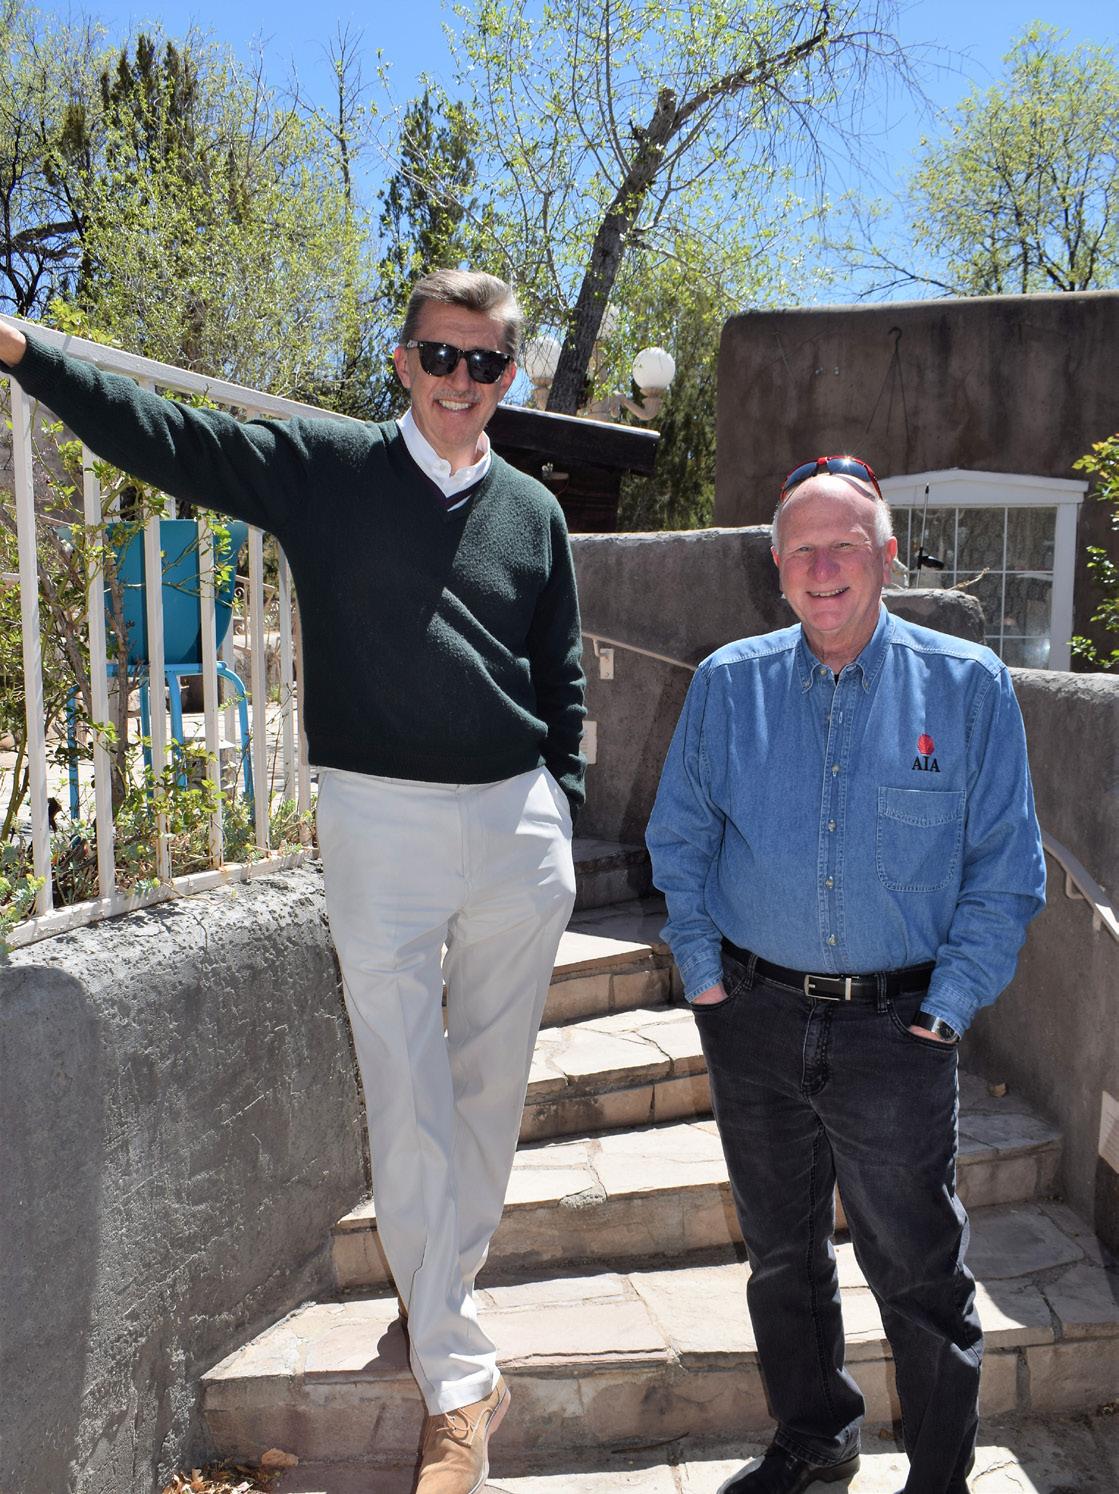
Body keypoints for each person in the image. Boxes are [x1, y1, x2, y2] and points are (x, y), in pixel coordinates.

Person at [0, 269, 584, 1494]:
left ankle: (439, 1297)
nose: (459, 381)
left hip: (513, 826)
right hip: (379, 819)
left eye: (484, 362)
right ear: (403, 360)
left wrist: (561, 803)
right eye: (439, 355)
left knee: (487, 1092)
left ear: (509, 375)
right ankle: (459, 1386)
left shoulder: (534, 510)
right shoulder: (328, 469)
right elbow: (172, 438)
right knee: (403, 1092)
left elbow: (560, 671)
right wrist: (27, 357)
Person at [646, 455, 1045, 1494]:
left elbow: (1007, 872)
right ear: (776, 566)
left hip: (896, 1031)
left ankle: (939, 1477)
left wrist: (946, 1009)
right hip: (753, 1016)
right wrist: (705, 977)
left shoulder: (967, 687)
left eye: (845, 547)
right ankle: (816, 1434)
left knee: (917, 1272)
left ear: (887, 557)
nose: (823, 569)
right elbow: (680, 837)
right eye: (802, 551)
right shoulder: (728, 684)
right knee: (781, 1257)